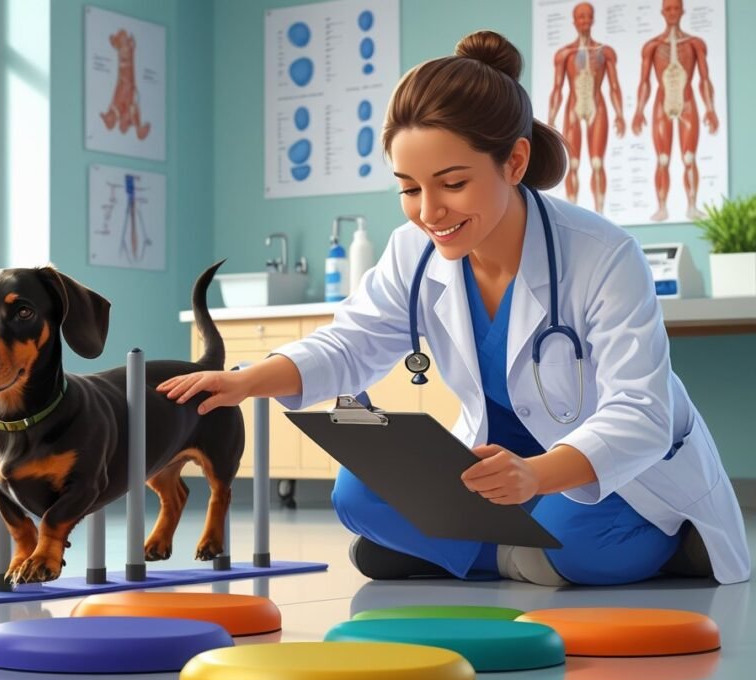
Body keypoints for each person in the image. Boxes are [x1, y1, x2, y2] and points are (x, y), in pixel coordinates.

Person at [158, 31, 750, 587]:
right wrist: (244, 382)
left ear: (514, 163)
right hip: (496, 473)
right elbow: (352, 342)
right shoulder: (413, 251)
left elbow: (640, 413)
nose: (429, 211)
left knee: (582, 535)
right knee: (355, 494)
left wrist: (536, 475)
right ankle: (519, 559)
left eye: (453, 184)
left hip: (602, 472)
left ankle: (477, 552)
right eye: (410, 188)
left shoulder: (602, 255)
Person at [632, 0, 718, 221]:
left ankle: (692, 205)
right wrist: (639, 110)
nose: (672, 12)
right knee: (663, 159)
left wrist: (710, 108)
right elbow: (644, 82)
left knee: (689, 157)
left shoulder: (695, 44)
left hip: (687, 102)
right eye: (668, 8)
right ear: (663, 12)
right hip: (662, 104)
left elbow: (704, 79)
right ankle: (662, 206)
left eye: (675, 8)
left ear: (682, 11)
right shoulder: (652, 46)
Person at [548, 2, 625, 214]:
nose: (584, 21)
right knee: (572, 164)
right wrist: (551, 118)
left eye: (588, 16)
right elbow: (557, 88)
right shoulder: (564, 54)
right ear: (574, 21)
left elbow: (615, 86)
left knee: (598, 163)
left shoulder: (605, 52)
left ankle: (600, 213)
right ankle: (573, 214)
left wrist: (620, 114)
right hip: (573, 107)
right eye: (580, 17)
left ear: (593, 19)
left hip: (597, 106)